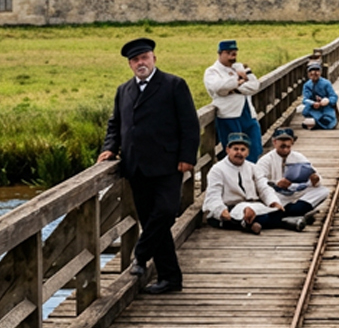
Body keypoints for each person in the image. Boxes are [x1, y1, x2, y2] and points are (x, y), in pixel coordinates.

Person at [98, 37, 199, 294]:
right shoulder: (124, 90)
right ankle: (170, 278)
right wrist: (109, 148)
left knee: (165, 213)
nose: (140, 63)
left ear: (154, 58)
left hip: (168, 164)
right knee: (154, 223)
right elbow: (115, 124)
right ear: (130, 65)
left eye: (144, 57)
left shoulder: (173, 84)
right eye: (135, 60)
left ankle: (140, 255)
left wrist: (187, 157)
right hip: (136, 167)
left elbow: (189, 124)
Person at [204, 132, 305, 233]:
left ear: (247, 152)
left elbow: (263, 187)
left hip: (252, 205)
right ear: (228, 150)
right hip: (230, 207)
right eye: (235, 149)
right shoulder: (218, 169)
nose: (239, 153)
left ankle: (250, 224)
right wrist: (221, 211)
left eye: (243, 150)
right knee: (241, 216)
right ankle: (287, 221)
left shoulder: (252, 167)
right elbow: (213, 195)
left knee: (275, 210)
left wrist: (273, 202)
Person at [205, 40, 263, 162]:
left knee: (254, 148)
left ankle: (251, 176)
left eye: (235, 53)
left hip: (247, 113)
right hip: (229, 115)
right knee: (234, 151)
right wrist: (240, 81)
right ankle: (235, 179)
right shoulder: (212, 71)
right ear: (220, 53)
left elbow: (254, 86)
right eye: (229, 53)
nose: (233, 56)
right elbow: (219, 88)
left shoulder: (239, 67)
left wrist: (233, 88)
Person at [256, 127, 330, 221]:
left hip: (296, 194)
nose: (286, 150)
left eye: (288, 146)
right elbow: (259, 181)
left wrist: (316, 179)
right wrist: (277, 183)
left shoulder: (299, 157)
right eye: (282, 146)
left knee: (323, 191)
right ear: (275, 142)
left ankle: (290, 212)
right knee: (267, 196)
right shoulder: (266, 160)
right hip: (276, 195)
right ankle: (297, 212)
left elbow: (314, 175)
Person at [301, 61, 339, 129]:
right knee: (306, 112)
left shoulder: (326, 83)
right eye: (311, 72)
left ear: (320, 73)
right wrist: (313, 103)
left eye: (316, 71)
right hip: (313, 109)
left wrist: (327, 101)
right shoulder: (307, 85)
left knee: (328, 120)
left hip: (326, 108)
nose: (314, 73)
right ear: (308, 74)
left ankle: (317, 123)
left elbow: (334, 97)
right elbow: (305, 99)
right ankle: (315, 122)